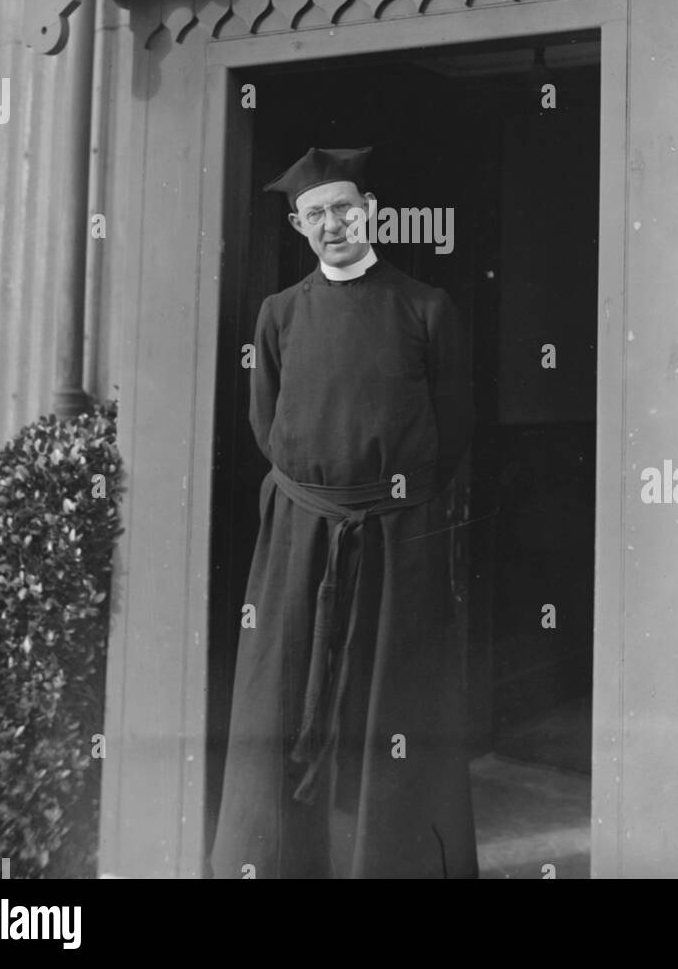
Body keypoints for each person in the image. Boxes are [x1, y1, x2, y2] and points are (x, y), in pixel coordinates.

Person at [209, 146, 477, 879]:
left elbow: (452, 430)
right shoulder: (279, 315)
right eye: (315, 215)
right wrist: (322, 496)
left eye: (343, 209)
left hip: (400, 533)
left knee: (395, 706)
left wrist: (387, 496)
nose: (332, 224)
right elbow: (269, 428)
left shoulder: (427, 307)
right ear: (300, 227)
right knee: (283, 696)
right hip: (300, 534)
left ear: (372, 212)